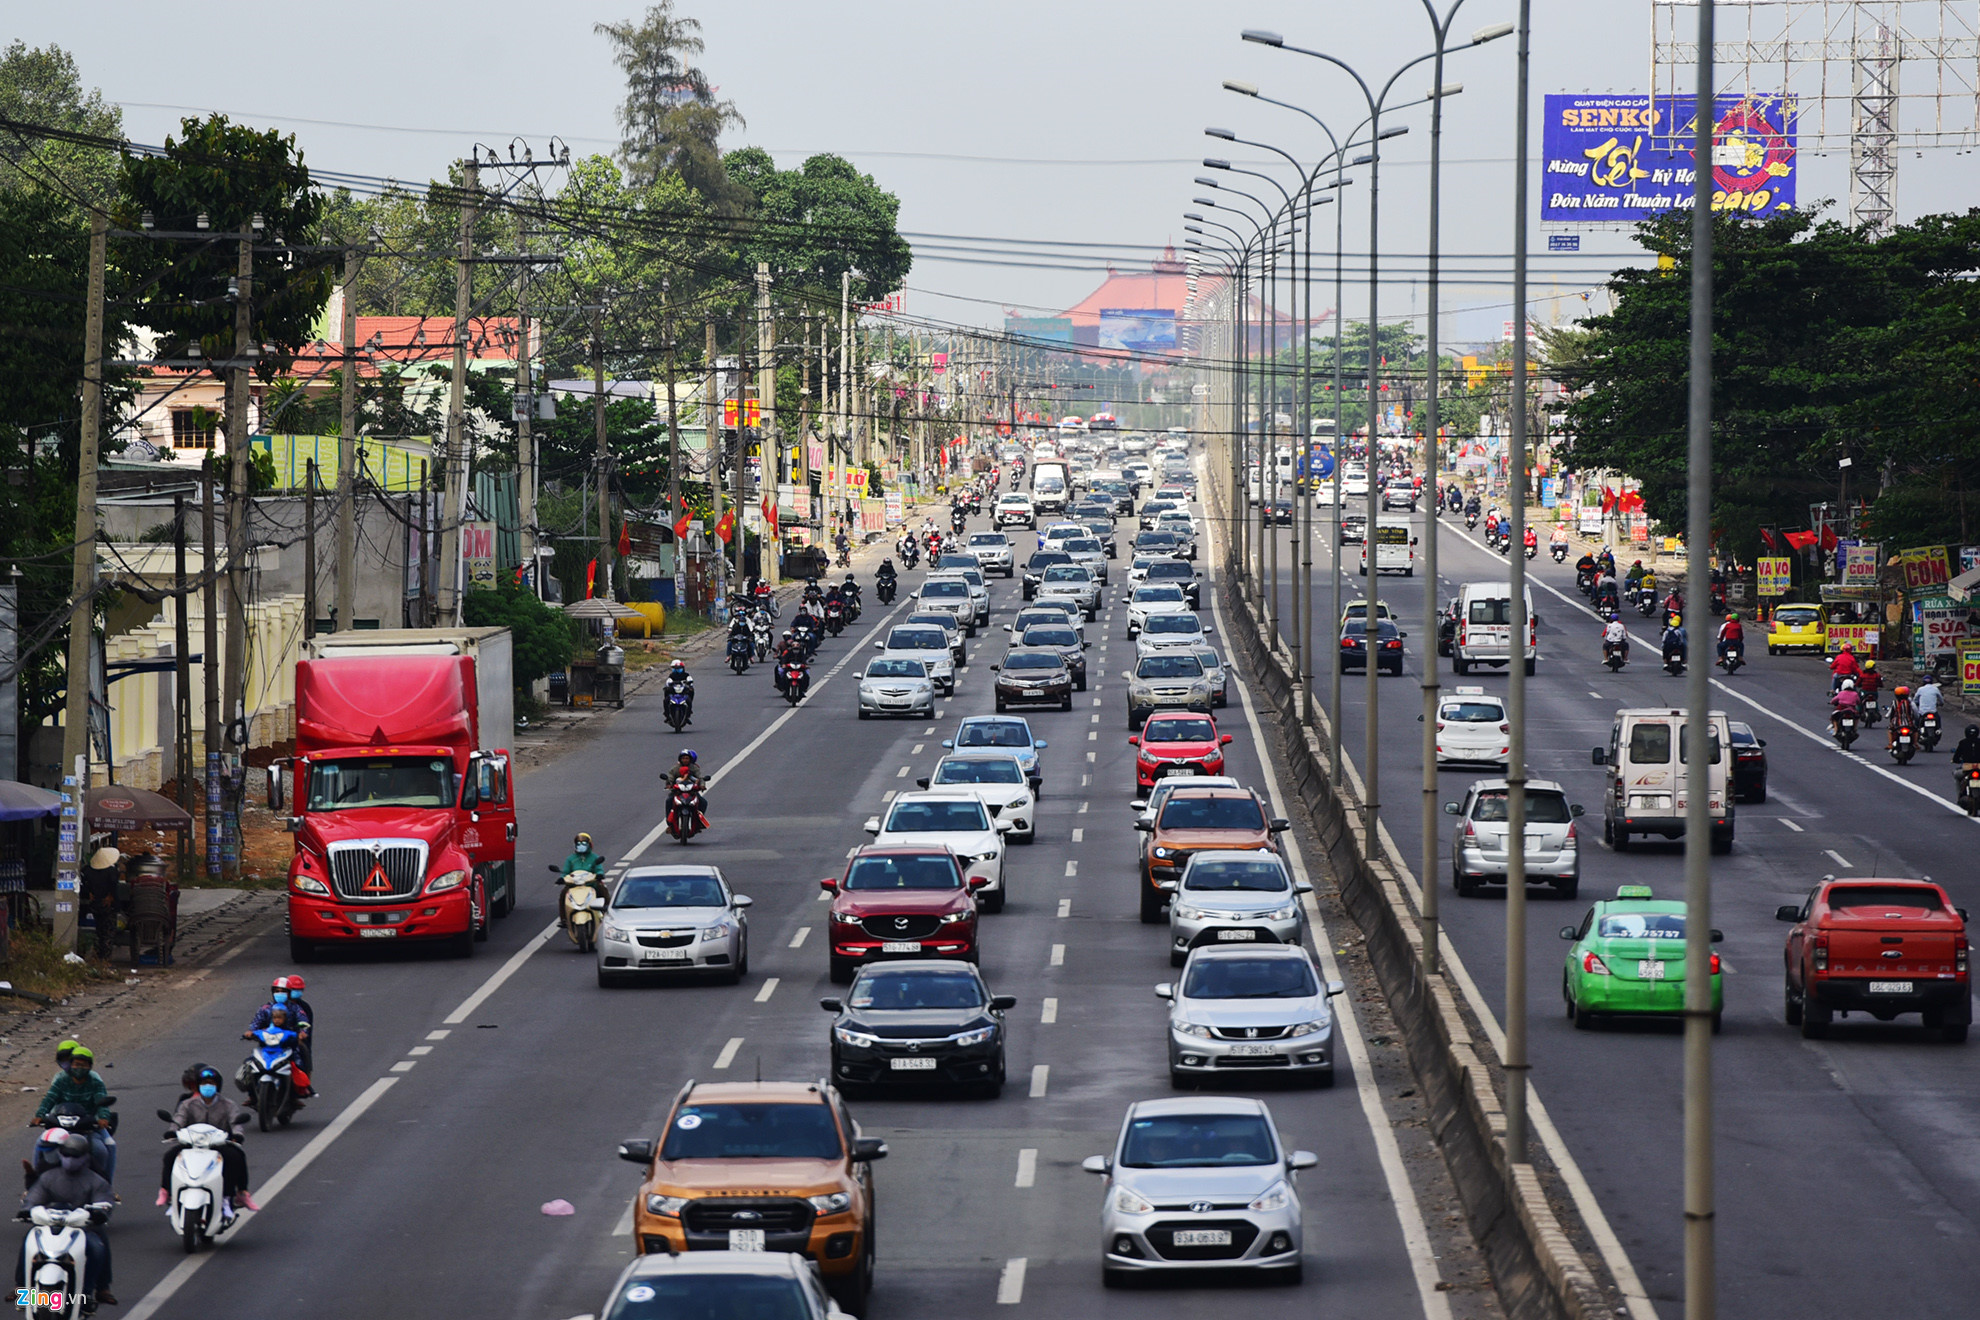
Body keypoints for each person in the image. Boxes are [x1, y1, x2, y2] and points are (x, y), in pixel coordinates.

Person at [20, 1132, 114, 1307]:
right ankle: (21, 1287)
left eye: (76, 1156)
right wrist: (27, 1210)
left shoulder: (96, 1180)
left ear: (86, 1157)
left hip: (84, 1227)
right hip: (51, 1225)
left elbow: (105, 1201)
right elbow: (34, 1197)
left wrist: (99, 1212)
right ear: (60, 1154)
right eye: (67, 1155)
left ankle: (94, 1291)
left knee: (98, 1247)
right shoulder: (48, 1177)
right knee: (28, 1242)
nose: (71, 1159)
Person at [158, 1066, 254, 1217]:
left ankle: (231, 1197)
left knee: (236, 1157)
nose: (207, 1087)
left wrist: (237, 1135)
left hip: (218, 1145)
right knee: (169, 1157)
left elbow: (236, 1123)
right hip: (192, 1144)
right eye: (203, 1083)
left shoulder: (228, 1105)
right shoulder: (188, 1104)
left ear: (217, 1086)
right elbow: (179, 1119)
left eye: (211, 1083)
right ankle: (168, 1193)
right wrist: (172, 1130)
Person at [34, 1045, 112, 1186]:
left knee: (103, 1150)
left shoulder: (95, 1081)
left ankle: (106, 1186)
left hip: (87, 1125)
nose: (78, 1068)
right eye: (76, 1064)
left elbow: (102, 1102)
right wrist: (39, 1115)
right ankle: (34, 1184)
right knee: (40, 1143)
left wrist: (103, 1118)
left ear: (90, 1066)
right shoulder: (61, 1080)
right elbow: (49, 1098)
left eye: (83, 1065)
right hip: (61, 1123)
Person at [247, 978, 315, 1084]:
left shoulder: (296, 1008)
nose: (280, 994)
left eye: (283, 991)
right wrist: (251, 1032)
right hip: (267, 1044)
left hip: (288, 1045)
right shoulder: (265, 1008)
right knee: (250, 1065)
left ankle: (299, 1091)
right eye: (277, 991)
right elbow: (256, 1023)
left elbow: (304, 1022)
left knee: (300, 1064)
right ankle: (252, 1094)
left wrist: (302, 1033)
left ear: (288, 993)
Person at [79, 847, 119, 961]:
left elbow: (82, 884)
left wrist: (88, 893)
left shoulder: (87, 870)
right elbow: (114, 887)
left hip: (94, 903)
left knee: (98, 930)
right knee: (108, 932)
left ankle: (97, 955)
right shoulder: (111, 871)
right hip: (107, 905)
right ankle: (105, 958)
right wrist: (112, 898)